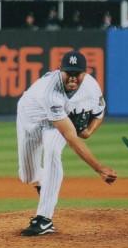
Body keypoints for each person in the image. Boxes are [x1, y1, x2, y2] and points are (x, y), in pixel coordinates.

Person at [16, 50, 117, 236]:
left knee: (53, 152)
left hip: (56, 124)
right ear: (59, 70)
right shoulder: (51, 92)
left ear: (85, 74)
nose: (72, 78)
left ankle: (44, 219)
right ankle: (43, 184)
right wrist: (99, 168)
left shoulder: (92, 87)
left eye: (76, 73)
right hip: (30, 119)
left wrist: (88, 131)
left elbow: (99, 112)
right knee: (27, 176)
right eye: (68, 73)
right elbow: (71, 138)